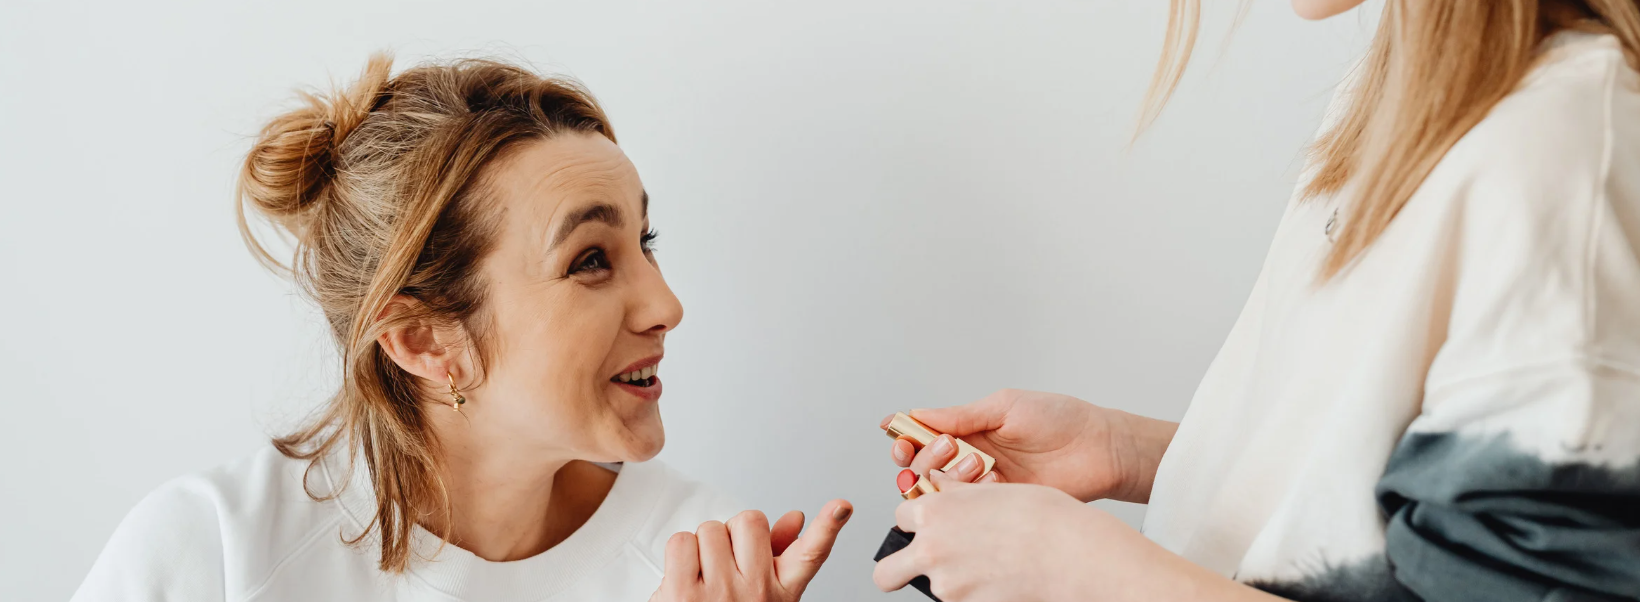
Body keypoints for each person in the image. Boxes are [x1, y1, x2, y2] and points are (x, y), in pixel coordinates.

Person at [877, 1, 1640, 601]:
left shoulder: (1561, 151)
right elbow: (1368, 474)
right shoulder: (1400, 98)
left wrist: (1088, 574)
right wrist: (1127, 452)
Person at [73, 54, 850, 602]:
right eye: (590, 261)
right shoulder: (215, 553)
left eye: (643, 243)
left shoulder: (708, 562)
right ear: (422, 340)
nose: (666, 306)